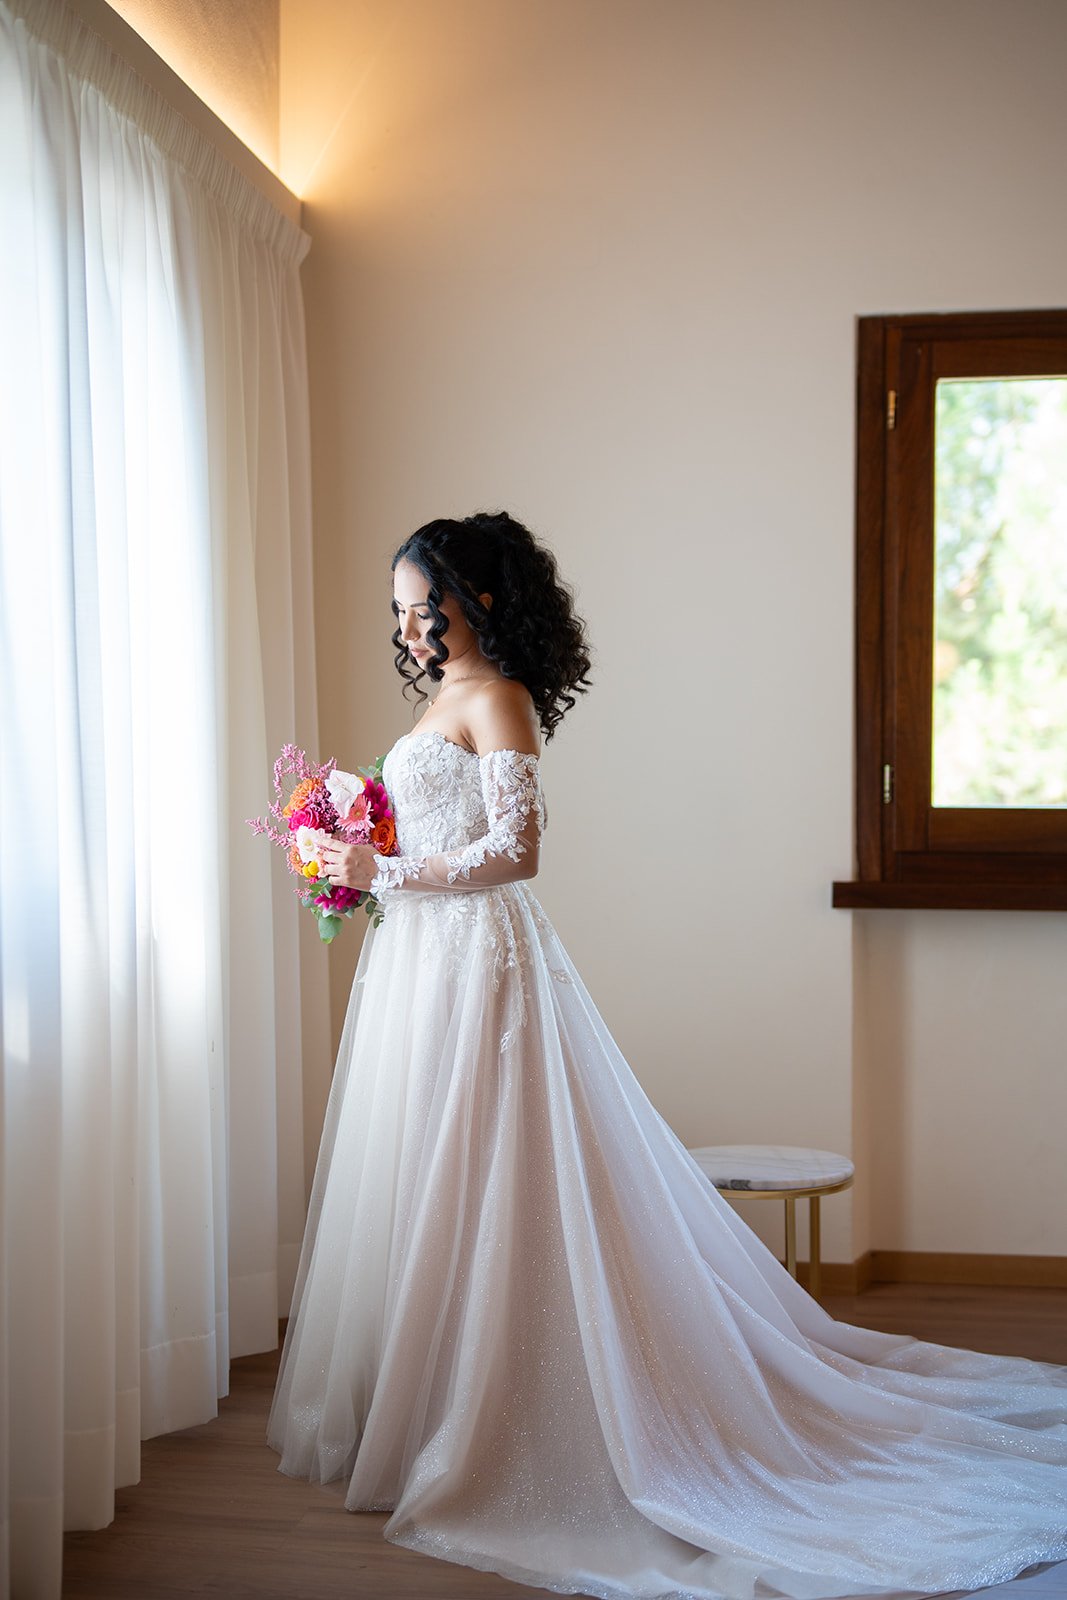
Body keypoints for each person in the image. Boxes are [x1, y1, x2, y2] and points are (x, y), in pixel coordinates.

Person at [267, 511, 1067, 1600]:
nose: (412, 625)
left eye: (428, 605)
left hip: (479, 964)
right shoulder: (435, 699)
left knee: (493, 1168)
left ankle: (516, 1414)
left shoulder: (495, 698)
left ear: (482, 602)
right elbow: (434, 833)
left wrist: (377, 873)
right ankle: (431, 1401)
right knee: (429, 1171)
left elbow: (517, 851)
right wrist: (352, 846)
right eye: (401, 607)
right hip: (422, 962)